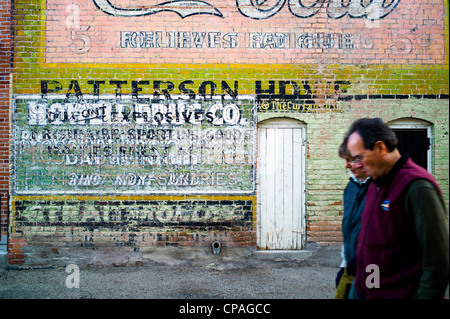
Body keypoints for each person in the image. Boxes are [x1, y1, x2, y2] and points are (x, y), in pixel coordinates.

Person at [343, 117, 448, 299]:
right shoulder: (376, 184)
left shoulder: (417, 187)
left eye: (360, 157)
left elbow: (437, 262)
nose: (356, 165)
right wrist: (358, 291)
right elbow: (373, 248)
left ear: (381, 148)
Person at [335, 140, 371, 299]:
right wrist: (344, 264)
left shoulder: (379, 188)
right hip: (350, 265)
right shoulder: (351, 187)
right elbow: (349, 228)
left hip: (372, 267)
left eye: (350, 160)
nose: (347, 165)